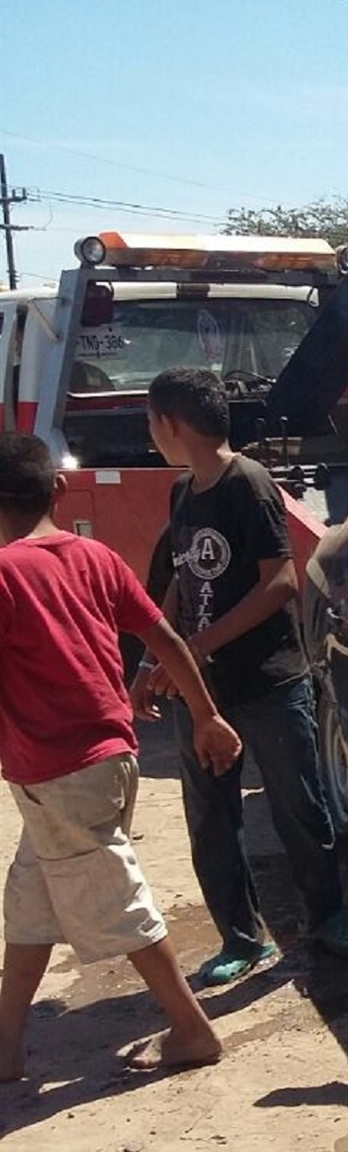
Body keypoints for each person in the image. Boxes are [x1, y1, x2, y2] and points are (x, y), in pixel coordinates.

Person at [0, 433, 241, 1079]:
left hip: (63, 771)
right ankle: (6, 1045)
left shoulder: (5, 574)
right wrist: (207, 715)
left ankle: (192, 1029)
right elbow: (166, 638)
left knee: (119, 904)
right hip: (101, 762)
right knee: (31, 902)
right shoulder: (96, 556)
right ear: (59, 489)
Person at [131, 368, 348, 986]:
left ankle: (330, 913)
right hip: (202, 692)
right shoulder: (183, 492)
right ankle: (241, 938)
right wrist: (159, 660)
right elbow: (182, 579)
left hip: (270, 682)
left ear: (171, 424)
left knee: (299, 807)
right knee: (212, 819)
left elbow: (281, 582)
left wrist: (198, 645)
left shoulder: (249, 483)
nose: (151, 433)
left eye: (152, 422)